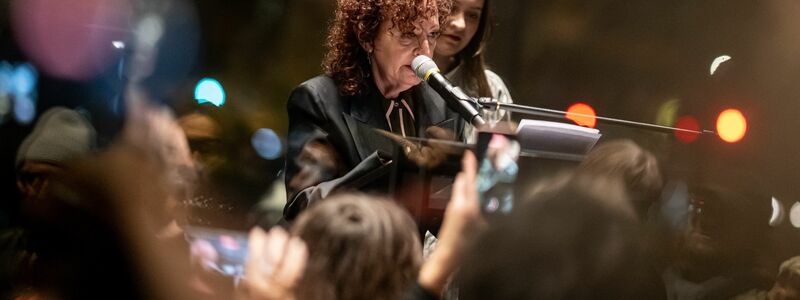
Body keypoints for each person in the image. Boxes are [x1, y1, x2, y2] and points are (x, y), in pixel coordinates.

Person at [283, 0, 464, 221]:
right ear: (367, 37)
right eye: (408, 34)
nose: (425, 52)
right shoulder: (319, 100)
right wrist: (378, 171)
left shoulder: (446, 107)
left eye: (433, 34)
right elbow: (303, 207)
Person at [432, 0, 513, 143]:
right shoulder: (393, 75)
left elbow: (497, 162)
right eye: (450, 8)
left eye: (472, 15)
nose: (460, 24)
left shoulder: (493, 89)